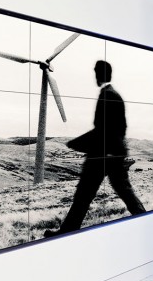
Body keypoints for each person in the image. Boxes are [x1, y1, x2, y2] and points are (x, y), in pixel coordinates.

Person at [47, 60, 146, 236]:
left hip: (102, 155)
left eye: (96, 72)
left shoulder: (109, 95)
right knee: (124, 193)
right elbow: (118, 128)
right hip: (111, 154)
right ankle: (146, 220)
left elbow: (104, 129)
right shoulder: (112, 94)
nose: (94, 75)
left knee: (83, 196)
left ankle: (67, 230)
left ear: (101, 73)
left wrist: (77, 143)